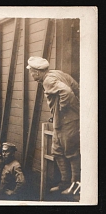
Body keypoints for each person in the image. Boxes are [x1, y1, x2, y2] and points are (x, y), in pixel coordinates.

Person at [26, 56, 80, 195]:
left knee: (71, 152)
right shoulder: (56, 73)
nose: (31, 74)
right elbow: (75, 87)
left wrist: (62, 109)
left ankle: (74, 186)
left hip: (67, 121)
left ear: (37, 72)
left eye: (31, 71)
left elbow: (67, 92)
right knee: (57, 150)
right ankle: (64, 182)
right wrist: (57, 112)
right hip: (61, 120)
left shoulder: (48, 80)